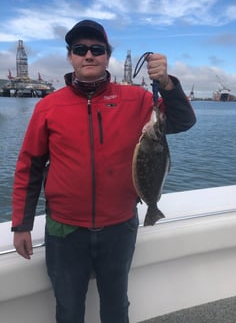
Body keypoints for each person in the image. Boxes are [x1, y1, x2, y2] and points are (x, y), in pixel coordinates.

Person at [11, 19, 196, 323]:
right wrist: (22, 224)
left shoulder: (137, 99)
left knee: (116, 307)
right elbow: (29, 166)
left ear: (107, 56)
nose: (89, 55)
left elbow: (183, 121)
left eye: (97, 49)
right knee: (68, 309)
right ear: (70, 56)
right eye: (80, 49)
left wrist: (167, 84)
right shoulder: (48, 106)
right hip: (64, 230)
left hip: (119, 227)